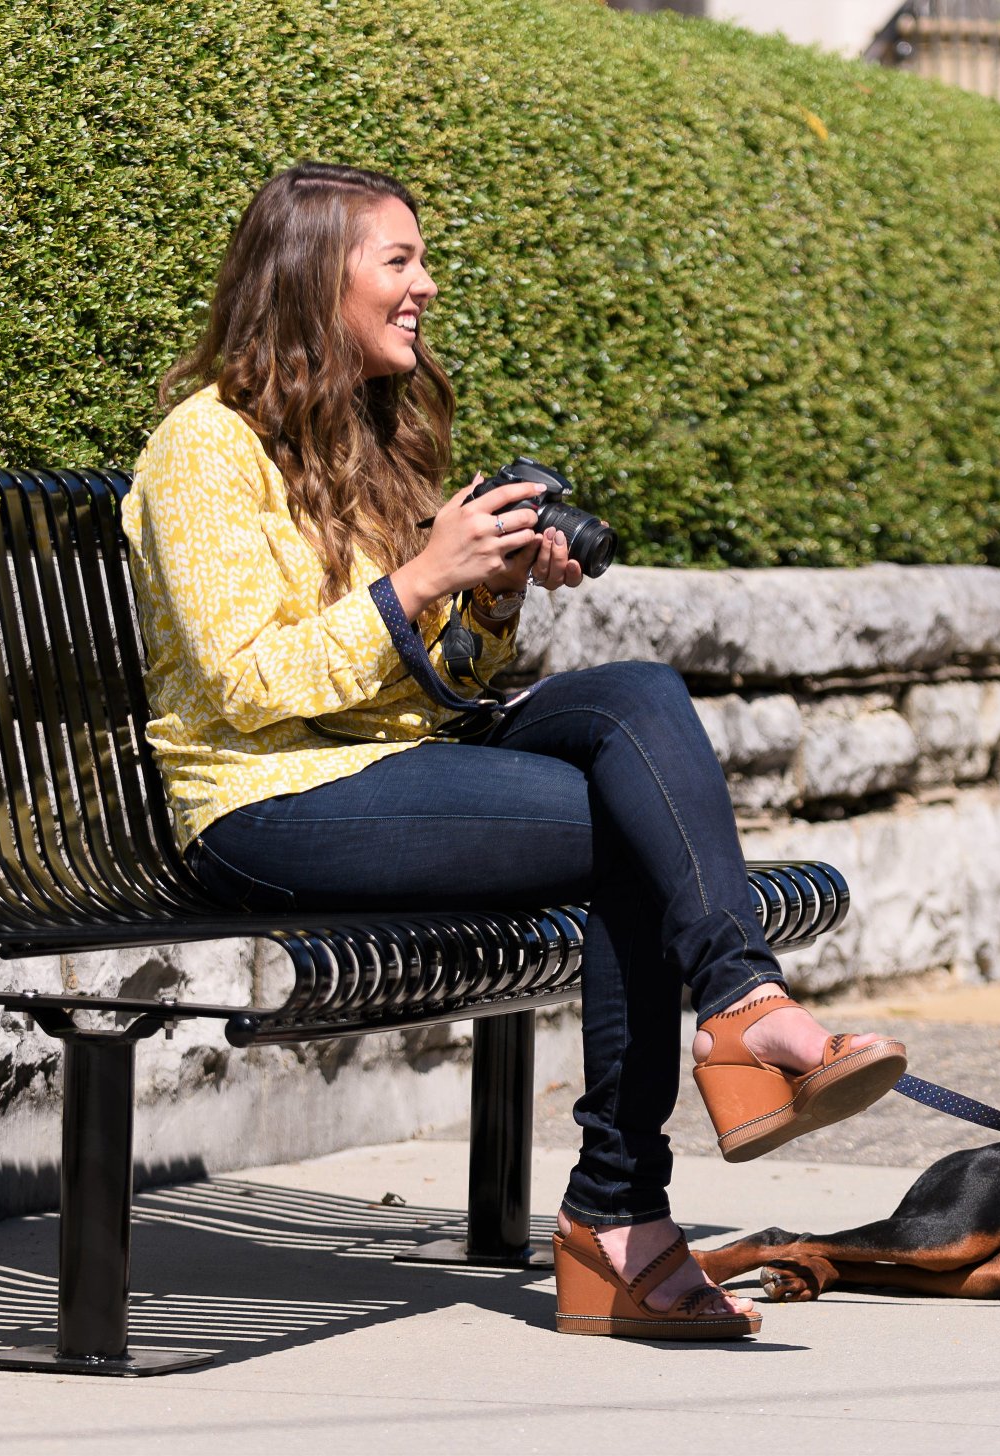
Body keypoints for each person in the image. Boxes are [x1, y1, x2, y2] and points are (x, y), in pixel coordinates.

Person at [125, 162, 907, 1339]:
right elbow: (245, 686)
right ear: (308, 279)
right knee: (632, 835)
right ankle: (621, 1219)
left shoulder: (367, 435)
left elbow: (452, 677)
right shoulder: (203, 451)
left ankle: (739, 1005)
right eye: (398, 262)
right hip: (269, 798)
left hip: (393, 756)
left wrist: (488, 594)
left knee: (635, 696)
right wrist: (423, 575)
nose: (424, 286)